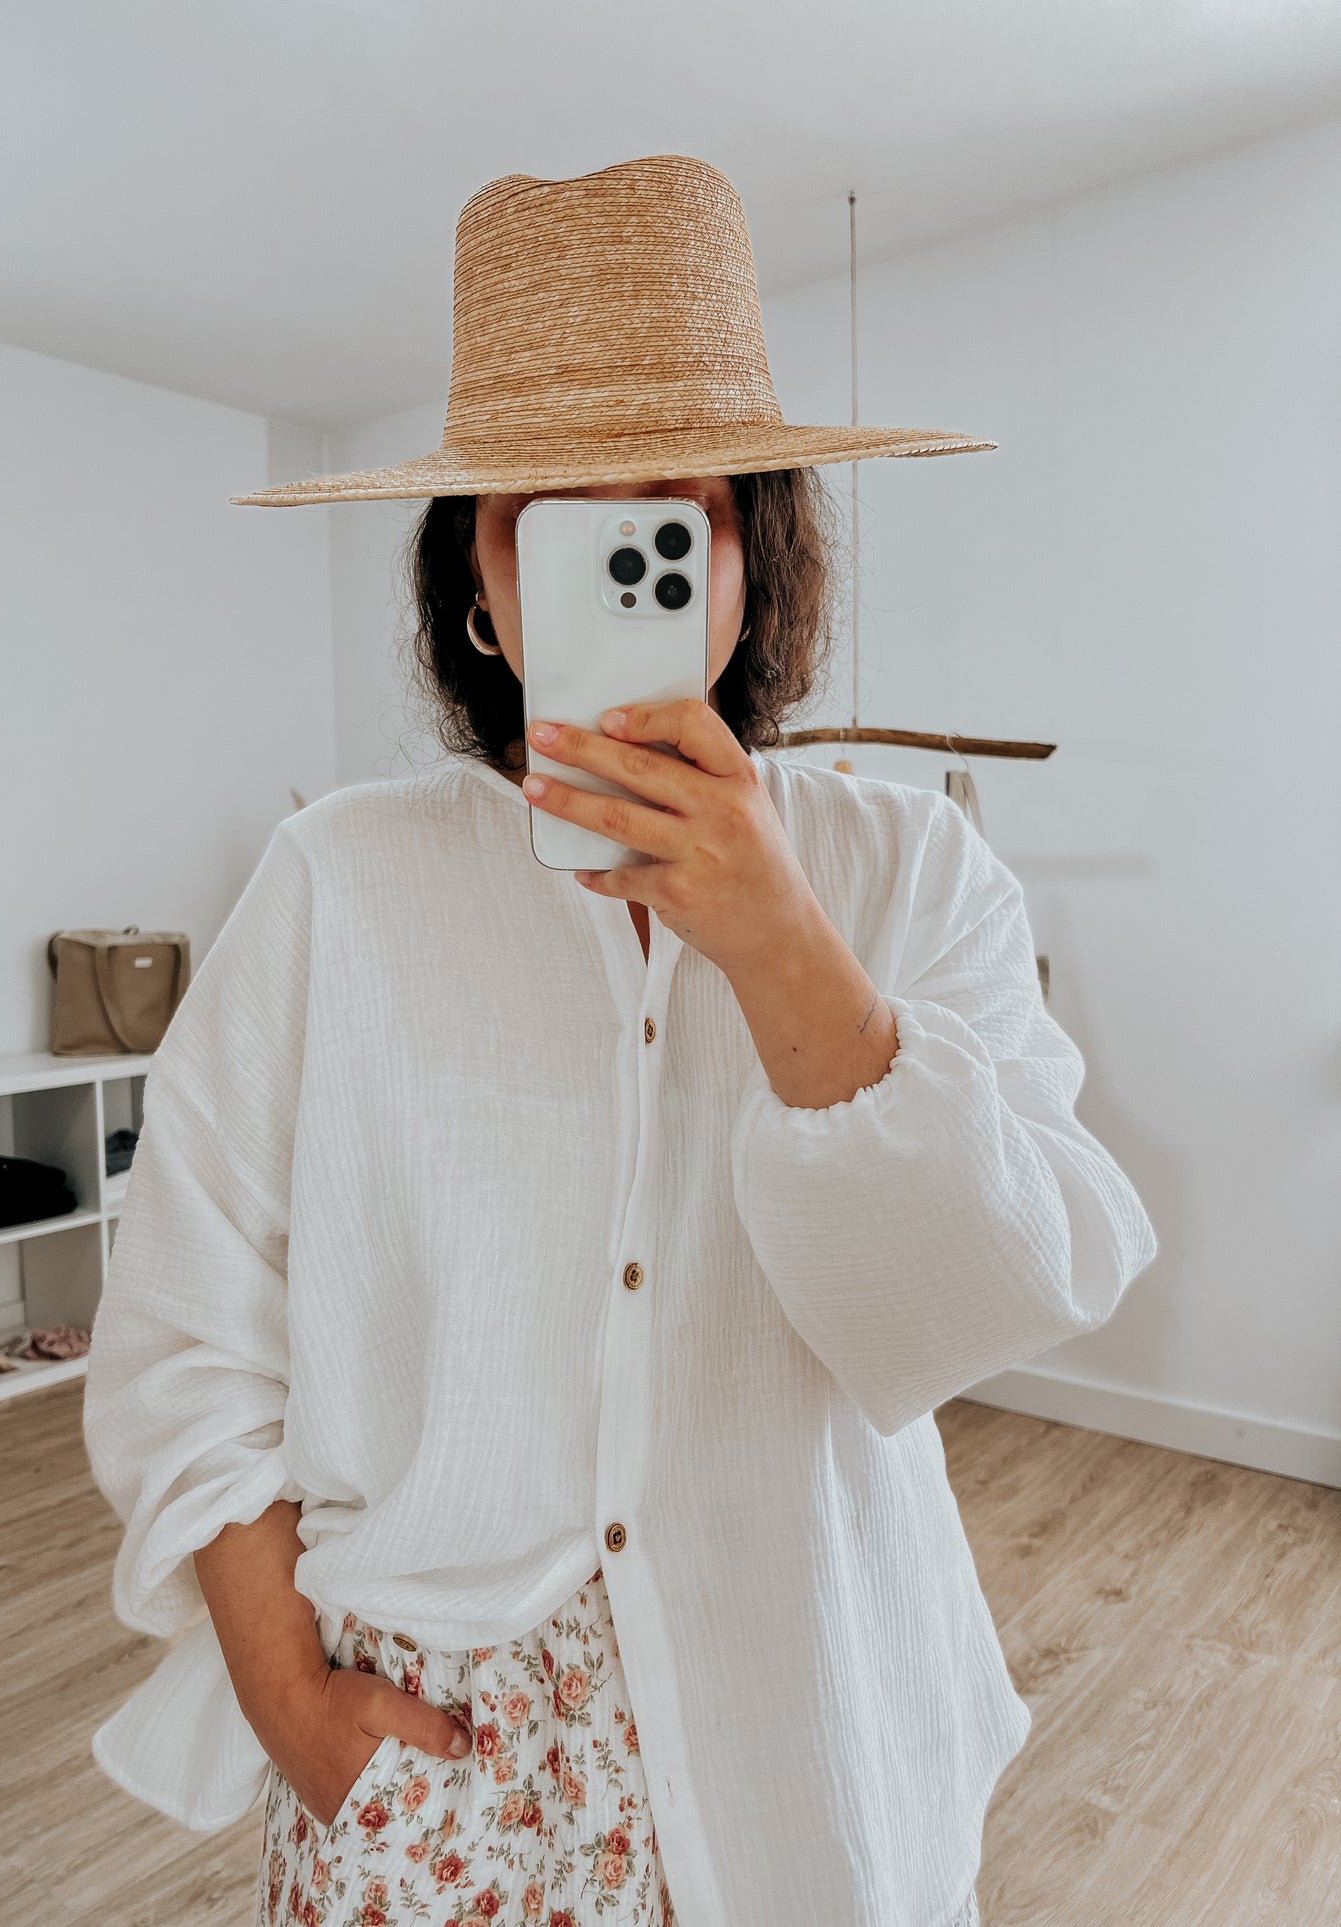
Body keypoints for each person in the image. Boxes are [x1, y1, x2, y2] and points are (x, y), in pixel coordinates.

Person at [82, 154, 1158, 1927]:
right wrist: (285, 1697)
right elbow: (192, 1318)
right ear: (483, 592)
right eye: (549, 523)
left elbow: (991, 1299)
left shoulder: (906, 873)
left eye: (673, 516)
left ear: (753, 553)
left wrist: (778, 945)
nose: (619, 570)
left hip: (805, 1714)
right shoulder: (335, 886)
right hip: (431, 1766)